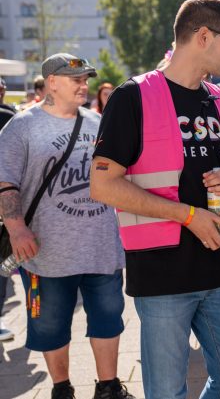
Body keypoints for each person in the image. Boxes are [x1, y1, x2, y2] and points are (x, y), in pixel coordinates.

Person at [90, 0, 220, 399]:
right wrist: (187, 216)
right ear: (203, 36)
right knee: (165, 392)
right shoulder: (132, 97)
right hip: (162, 276)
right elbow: (103, 185)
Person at [0, 53, 132, 399]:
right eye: (75, 79)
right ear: (52, 83)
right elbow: (4, 182)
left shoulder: (97, 122)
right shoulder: (22, 126)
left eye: (86, 79)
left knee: (108, 318)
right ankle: (61, 388)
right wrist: (16, 229)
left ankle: (108, 387)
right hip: (47, 253)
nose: (83, 85)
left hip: (101, 245)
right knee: (50, 326)